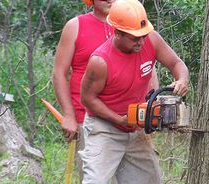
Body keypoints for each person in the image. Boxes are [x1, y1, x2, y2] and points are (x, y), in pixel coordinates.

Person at [79, 0, 189, 183]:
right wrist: (119, 119)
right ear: (118, 32)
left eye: (143, 35)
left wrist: (182, 80)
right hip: (105, 128)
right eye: (134, 37)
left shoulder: (151, 40)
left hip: (136, 129)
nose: (141, 41)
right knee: (95, 180)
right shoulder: (100, 61)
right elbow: (87, 99)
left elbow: (177, 63)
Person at [52, 0, 159, 180]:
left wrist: (150, 110)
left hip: (133, 121)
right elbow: (59, 73)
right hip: (91, 119)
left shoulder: (135, 26)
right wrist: (69, 115)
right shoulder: (76, 26)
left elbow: (148, 70)